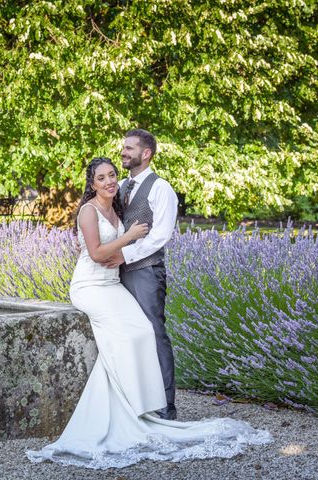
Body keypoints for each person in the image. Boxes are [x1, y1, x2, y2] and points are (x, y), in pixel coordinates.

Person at [26, 157, 271, 469]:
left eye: (112, 175)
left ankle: (139, 407)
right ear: (92, 184)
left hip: (112, 285)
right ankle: (123, 412)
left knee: (143, 331)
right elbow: (98, 253)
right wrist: (130, 237)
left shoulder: (115, 208)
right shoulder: (88, 211)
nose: (109, 181)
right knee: (125, 337)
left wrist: (127, 238)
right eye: (101, 178)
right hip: (89, 286)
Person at [104, 128, 179, 420]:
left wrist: (125, 255)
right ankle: (136, 401)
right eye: (123, 147)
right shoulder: (119, 185)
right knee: (126, 335)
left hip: (146, 273)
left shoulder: (162, 189)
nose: (123, 152)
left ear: (145, 153)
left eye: (129, 148)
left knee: (154, 334)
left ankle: (166, 407)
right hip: (114, 275)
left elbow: (160, 236)